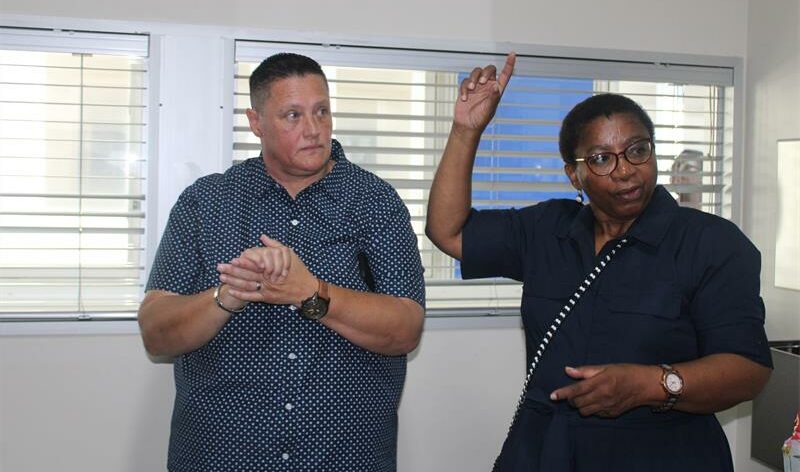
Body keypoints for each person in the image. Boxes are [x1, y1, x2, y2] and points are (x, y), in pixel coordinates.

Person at [425, 53, 772, 471]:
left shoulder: (712, 244)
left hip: (664, 453)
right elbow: (449, 232)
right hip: (545, 451)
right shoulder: (547, 228)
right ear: (575, 175)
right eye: (602, 159)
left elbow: (748, 370)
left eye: (637, 150)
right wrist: (466, 131)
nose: (626, 171)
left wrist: (651, 384)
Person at [138, 53, 425, 472]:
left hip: (344, 456)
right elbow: (155, 334)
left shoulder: (375, 203)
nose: (313, 130)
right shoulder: (207, 203)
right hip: (221, 456)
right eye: (292, 115)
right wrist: (229, 294)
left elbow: (406, 328)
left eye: (321, 111)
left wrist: (311, 292)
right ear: (256, 123)